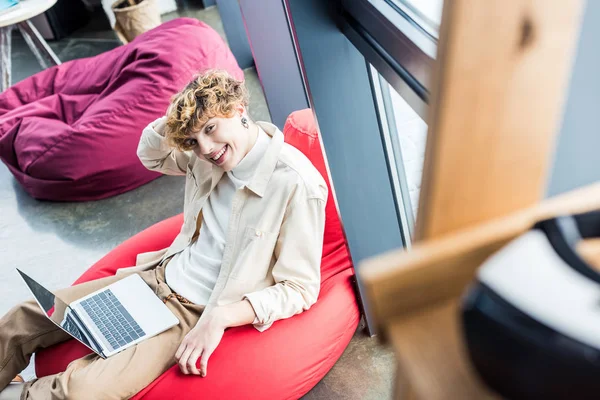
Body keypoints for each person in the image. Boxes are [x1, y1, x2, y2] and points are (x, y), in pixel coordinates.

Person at [0, 69, 327, 400]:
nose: (207, 149)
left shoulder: (296, 183)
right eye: (193, 141)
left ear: (239, 110)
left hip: (189, 314)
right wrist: (181, 118)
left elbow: (300, 288)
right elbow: (150, 154)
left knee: (79, 392)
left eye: (211, 129)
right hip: (153, 279)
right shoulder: (206, 155)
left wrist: (221, 317)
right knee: (23, 317)